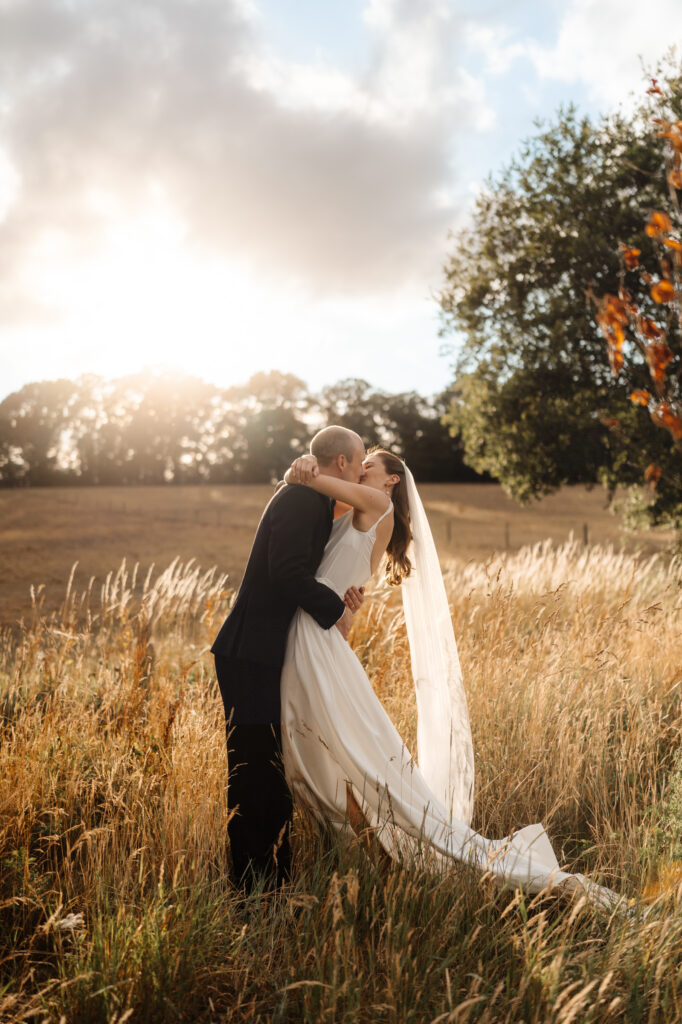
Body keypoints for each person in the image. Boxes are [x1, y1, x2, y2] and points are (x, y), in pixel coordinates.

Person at [280, 447, 620, 908]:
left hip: (316, 644)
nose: (361, 470)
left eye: (369, 466)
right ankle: (372, 866)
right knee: (331, 760)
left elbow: (308, 483)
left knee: (350, 761)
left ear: (392, 481)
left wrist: (303, 465)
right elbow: (324, 560)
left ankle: (383, 871)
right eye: (359, 465)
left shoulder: (375, 504)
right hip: (318, 638)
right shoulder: (359, 509)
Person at [210, 426, 367, 892]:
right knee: (254, 773)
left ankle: (272, 881)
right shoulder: (301, 499)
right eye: (360, 462)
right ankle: (251, 890)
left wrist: (342, 592)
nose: (361, 472)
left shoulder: (314, 497)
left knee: (271, 772)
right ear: (342, 462)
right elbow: (286, 573)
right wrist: (336, 611)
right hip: (251, 653)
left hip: (263, 652)